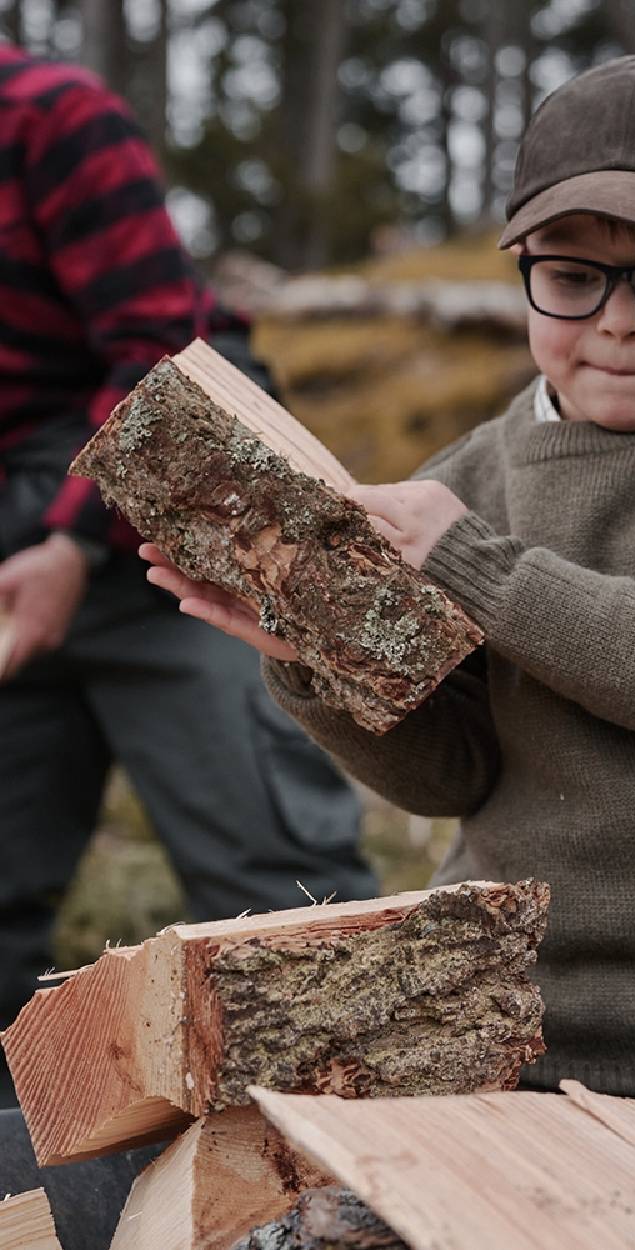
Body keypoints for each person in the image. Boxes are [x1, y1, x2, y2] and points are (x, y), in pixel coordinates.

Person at [145, 51, 635, 1148]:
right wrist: (321, 658)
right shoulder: (466, 479)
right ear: (524, 268)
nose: (619, 323)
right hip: (524, 1031)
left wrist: (470, 564)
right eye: (574, 275)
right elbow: (455, 770)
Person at [0, 43, 376, 1109]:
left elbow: (163, 348)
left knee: (273, 881)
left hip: (174, 504)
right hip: (14, 547)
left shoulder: (47, 117)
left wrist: (74, 539)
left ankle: (372, 1162)